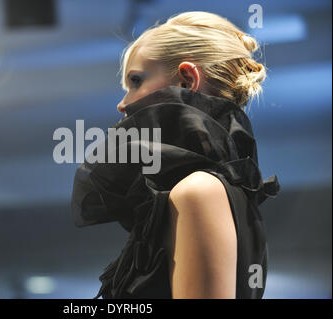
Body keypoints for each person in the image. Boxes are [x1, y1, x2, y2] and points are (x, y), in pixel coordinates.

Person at [71, 11, 280, 299]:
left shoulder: (198, 192)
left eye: (135, 81)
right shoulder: (214, 191)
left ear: (186, 80)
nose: (123, 104)